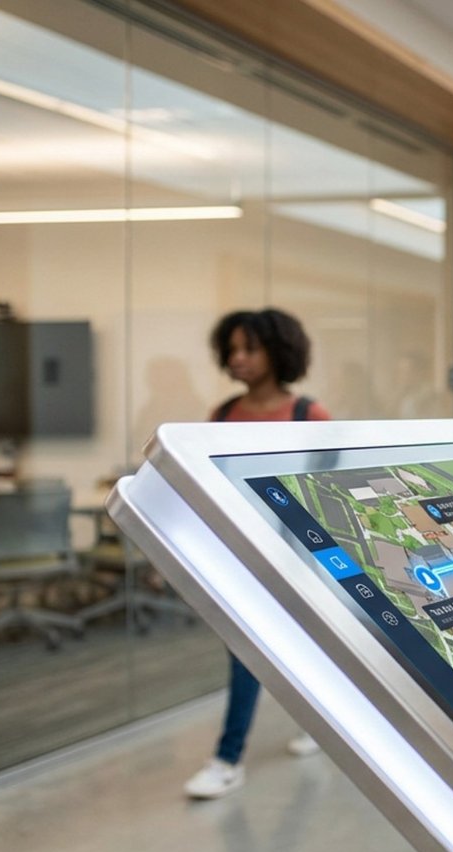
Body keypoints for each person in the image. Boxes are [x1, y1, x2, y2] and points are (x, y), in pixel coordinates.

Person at [184, 308, 330, 801]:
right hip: (240, 558)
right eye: (232, 350)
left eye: (250, 348)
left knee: (302, 649)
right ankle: (228, 758)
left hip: (295, 558)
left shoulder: (308, 415)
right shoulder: (223, 416)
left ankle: (312, 724)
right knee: (245, 653)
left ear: (277, 352)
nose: (238, 359)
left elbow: (327, 489)